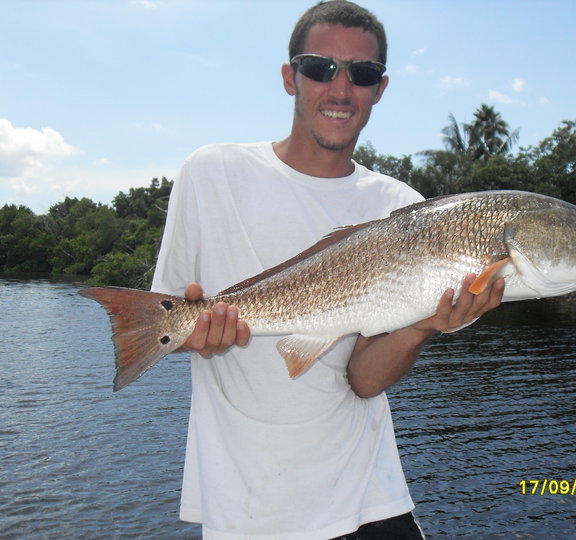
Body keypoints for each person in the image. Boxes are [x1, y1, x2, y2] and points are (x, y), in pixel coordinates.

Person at [151, 1, 505, 538]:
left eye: (362, 74)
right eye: (320, 68)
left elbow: (364, 380)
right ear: (289, 77)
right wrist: (194, 335)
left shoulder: (402, 208)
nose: (341, 89)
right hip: (248, 511)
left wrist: (422, 325)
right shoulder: (211, 173)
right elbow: (162, 325)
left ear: (380, 89)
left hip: (372, 500)